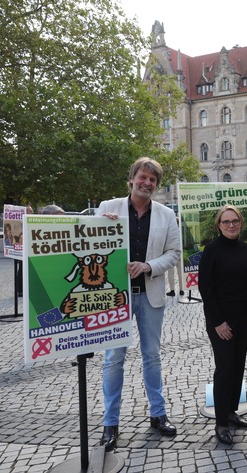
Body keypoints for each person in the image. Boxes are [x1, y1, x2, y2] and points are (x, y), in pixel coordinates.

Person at [97, 157, 181, 451]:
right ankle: (110, 423)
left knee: (152, 356)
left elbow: (174, 253)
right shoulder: (108, 207)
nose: (147, 183)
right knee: (113, 360)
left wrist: (148, 266)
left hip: (150, 293)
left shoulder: (166, 215)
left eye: (153, 180)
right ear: (131, 179)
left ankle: (158, 415)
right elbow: (90, 249)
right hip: (116, 296)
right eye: (143, 177)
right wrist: (99, 228)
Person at [198, 205, 247, 445]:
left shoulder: (246, 249)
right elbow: (206, 289)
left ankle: (232, 411)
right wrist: (218, 322)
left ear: (241, 224)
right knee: (224, 369)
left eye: (235, 221)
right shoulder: (212, 251)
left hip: (243, 317)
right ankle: (221, 422)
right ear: (219, 225)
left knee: (237, 366)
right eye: (226, 222)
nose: (231, 225)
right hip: (221, 320)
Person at [166, 217, 185, 297]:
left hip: (171, 254)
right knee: (180, 273)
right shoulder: (181, 232)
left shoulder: (169, 232)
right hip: (180, 254)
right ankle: (181, 290)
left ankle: (172, 290)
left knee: (171, 273)